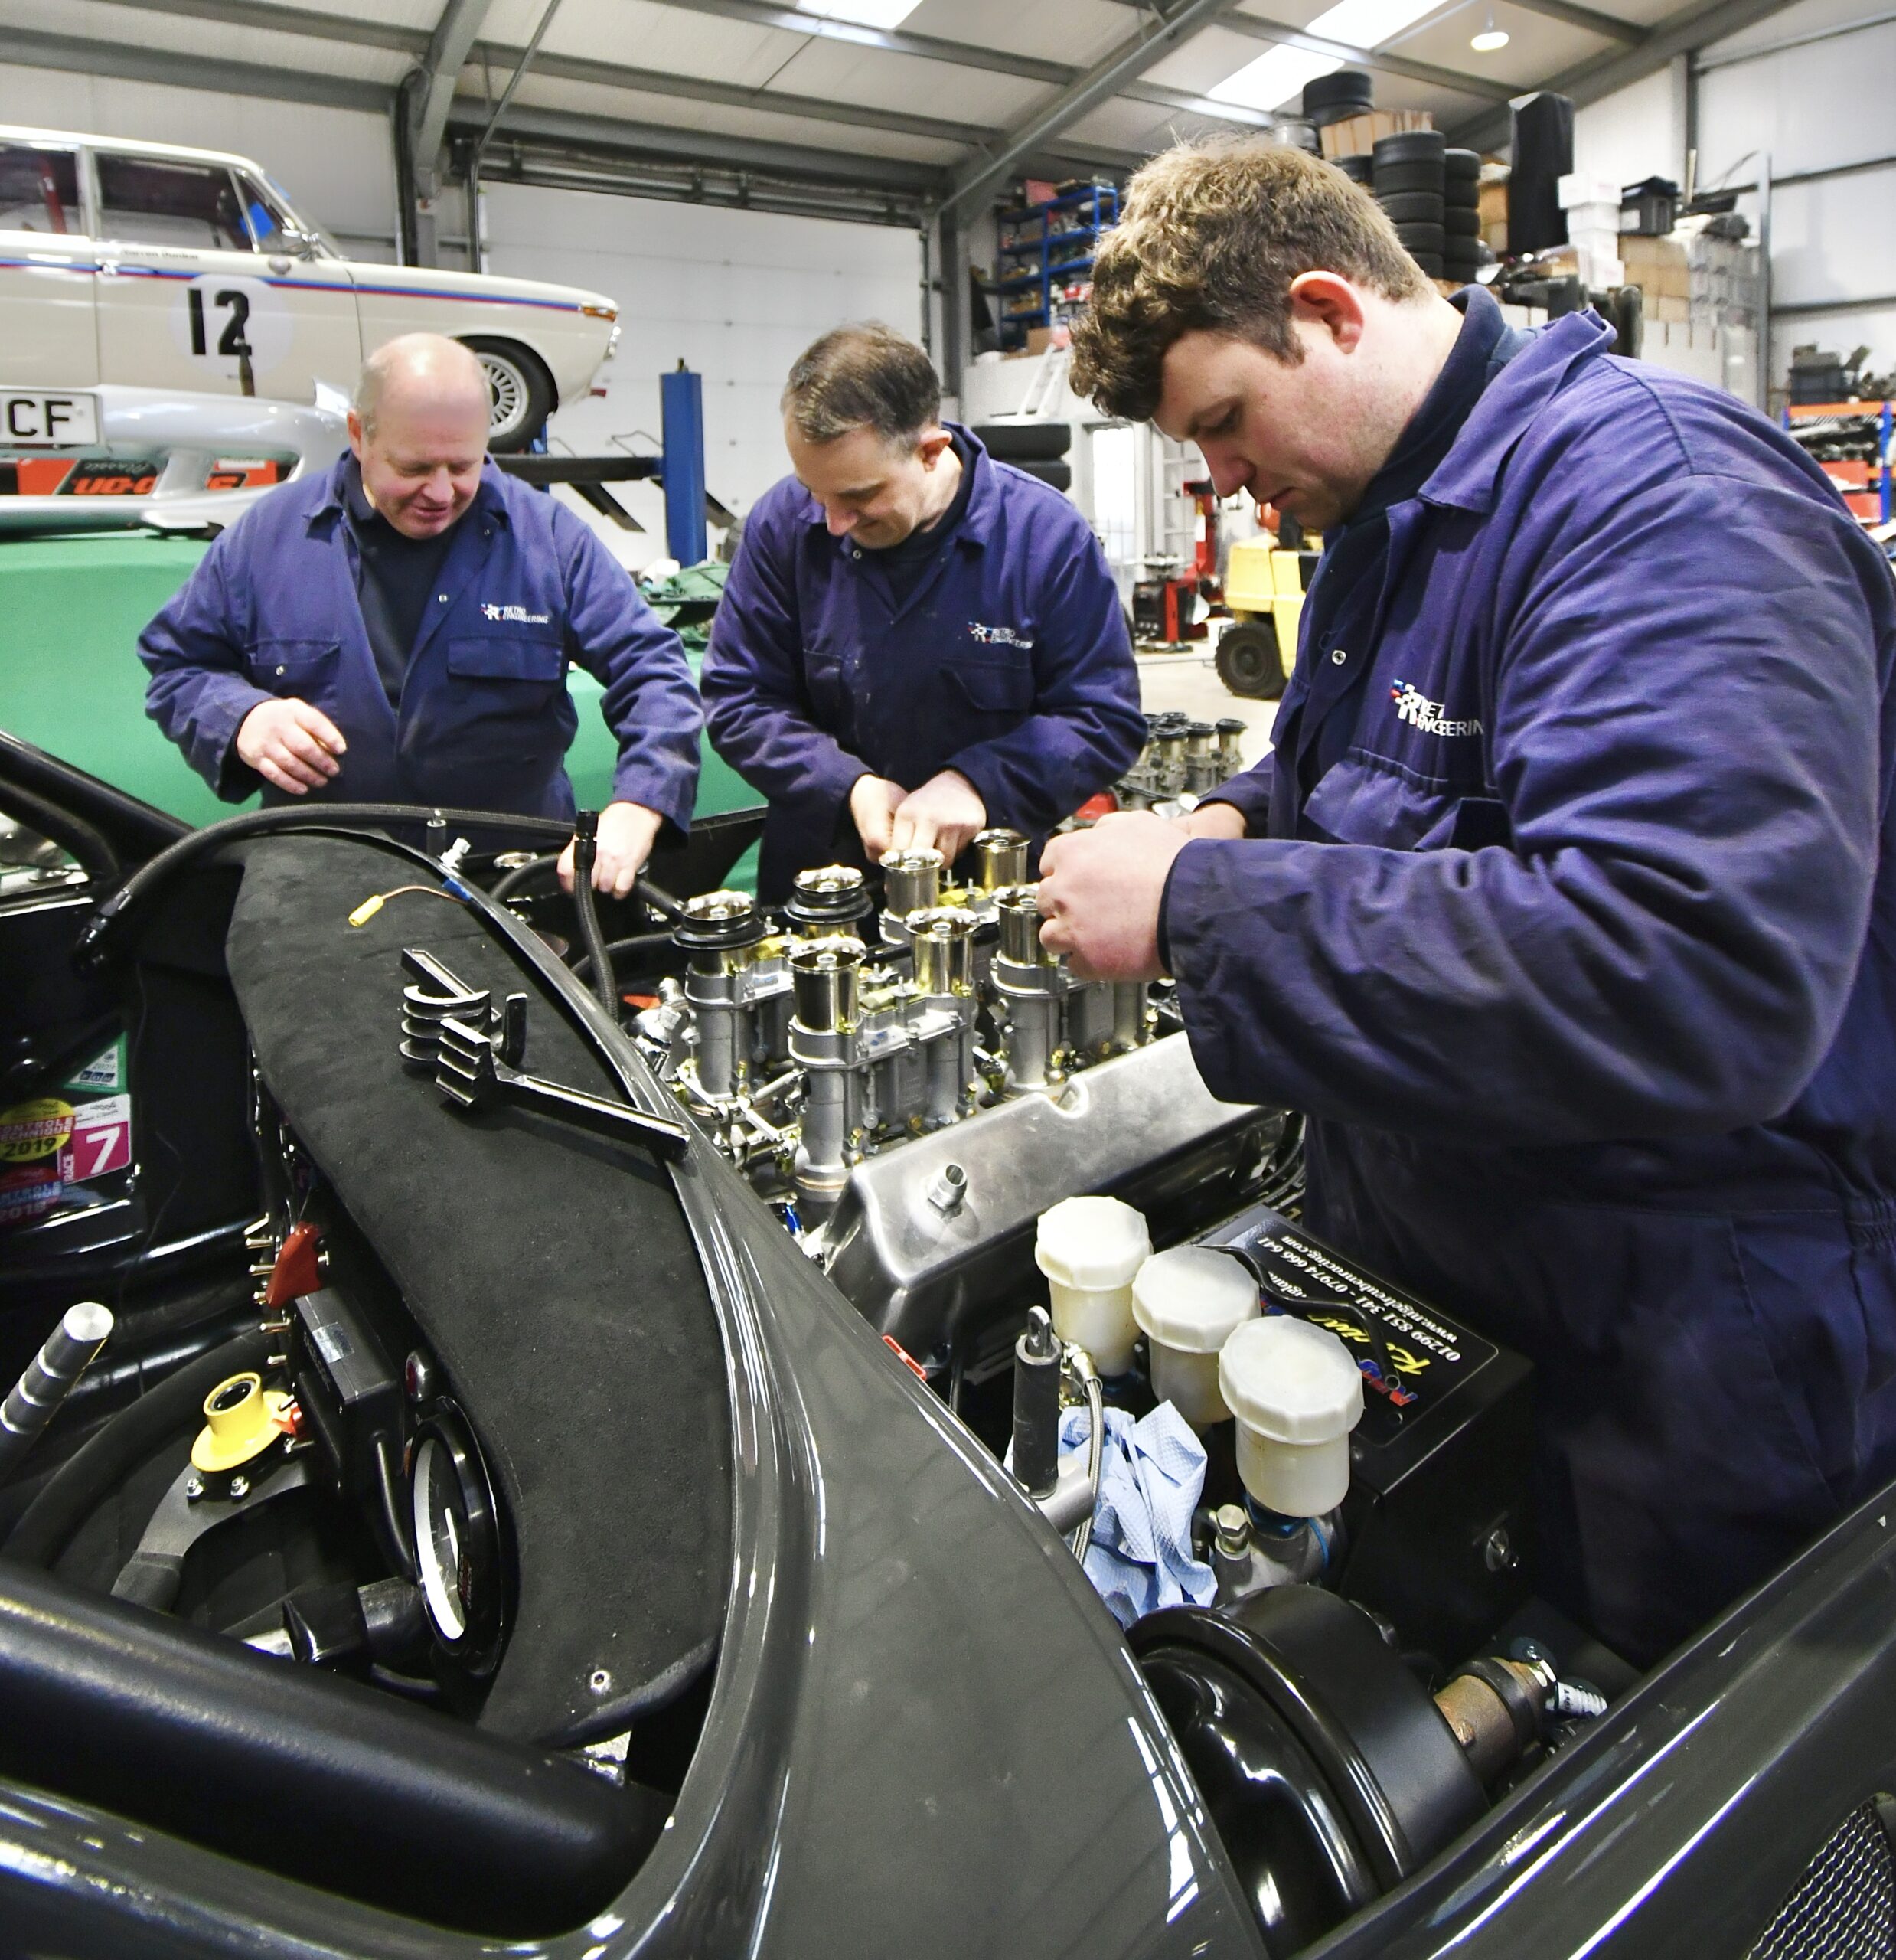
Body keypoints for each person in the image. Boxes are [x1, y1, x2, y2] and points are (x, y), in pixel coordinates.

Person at [1038, 138, 1896, 1667]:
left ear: (1329, 308)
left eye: (1225, 421)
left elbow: (1691, 967)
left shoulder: (1658, 501)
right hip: (1454, 1297)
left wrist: (1199, 907)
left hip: (1675, 1363)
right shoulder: (1384, 522)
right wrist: (1231, 813)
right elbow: (1343, 781)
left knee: (1674, 1839)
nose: (1222, 483)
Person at [140, 333, 700, 895]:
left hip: (509, 889)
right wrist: (240, 719)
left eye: (463, 465)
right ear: (360, 435)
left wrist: (639, 802)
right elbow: (179, 667)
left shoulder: (547, 541)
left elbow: (651, 670)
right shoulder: (269, 538)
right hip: (320, 892)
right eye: (414, 467)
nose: (440, 492)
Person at [700, 323, 1144, 900]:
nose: (832, 522)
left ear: (931, 451)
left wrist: (976, 784)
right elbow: (739, 699)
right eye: (816, 492)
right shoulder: (782, 526)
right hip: (819, 886)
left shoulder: (1044, 539)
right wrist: (847, 786)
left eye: (859, 497)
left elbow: (1101, 717)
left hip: (987, 890)